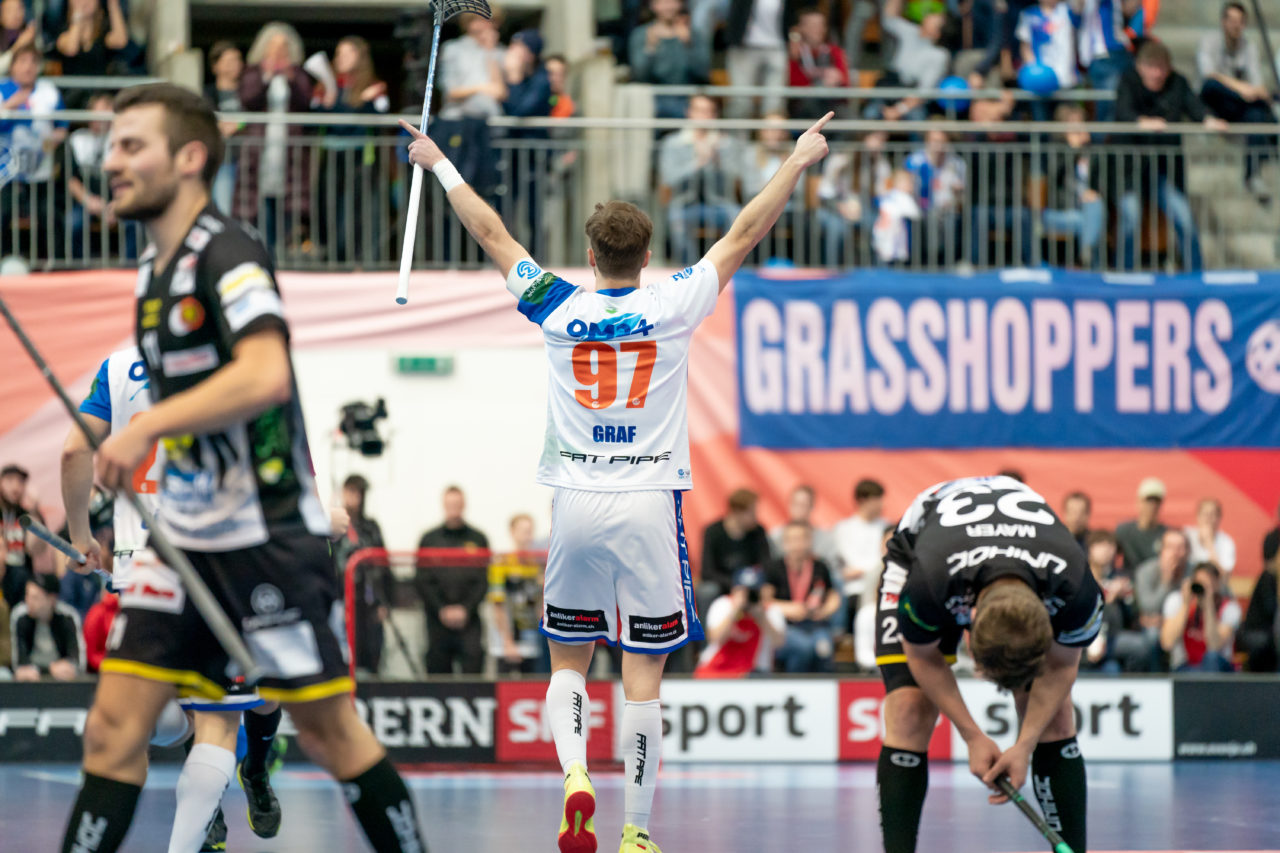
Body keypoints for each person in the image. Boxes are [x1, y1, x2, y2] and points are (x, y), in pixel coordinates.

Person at [401, 107, 832, 853]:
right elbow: (744, 232)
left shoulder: (557, 305)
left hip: (574, 499)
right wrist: (796, 160)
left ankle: (575, 773)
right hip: (648, 500)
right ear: (647, 255)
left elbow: (491, 233)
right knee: (644, 677)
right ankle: (635, 829)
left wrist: (438, 162)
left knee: (568, 659)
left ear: (590, 255)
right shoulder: (675, 302)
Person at [57, 83, 429, 853]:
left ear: (189, 158)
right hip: (183, 536)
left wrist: (144, 428)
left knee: (328, 731)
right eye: (112, 145)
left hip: (262, 536)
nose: (112, 160)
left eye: (132, 145)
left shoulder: (228, 253)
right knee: (113, 730)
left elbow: (265, 374)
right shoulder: (153, 267)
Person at [65, 345, 293, 851]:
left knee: (141, 722)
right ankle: (203, 809)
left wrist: (81, 535)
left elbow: (73, 451)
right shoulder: (237, 361)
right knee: (213, 718)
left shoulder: (118, 368)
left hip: (144, 571)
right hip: (218, 564)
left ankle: (249, 772)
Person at [874, 475, 1102, 853]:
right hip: (923, 545)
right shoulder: (929, 583)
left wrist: (1025, 745)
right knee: (909, 710)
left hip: (1009, 558)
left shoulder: (1077, 589)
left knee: (1056, 716)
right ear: (969, 620)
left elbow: (1061, 667)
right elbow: (923, 655)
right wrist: (971, 735)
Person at [1114, 40, 1227, 271]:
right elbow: (1122, 111)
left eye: (1161, 68)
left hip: (1163, 170)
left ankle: (1195, 274)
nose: (1157, 74)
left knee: (1184, 218)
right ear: (1140, 67)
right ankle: (1123, 273)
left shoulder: (1178, 82)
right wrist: (1141, 122)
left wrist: (1208, 119)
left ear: (1169, 68)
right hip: (1131, 170)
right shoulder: (1128, 81)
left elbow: (1194, 106)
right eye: (1151, 67)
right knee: (1130, 217)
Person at [236, 22, 314, 260]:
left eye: (283, 47)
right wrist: (267, 77)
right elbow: (248, 99)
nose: (279, 52)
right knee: (258, 209)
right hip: (260, 152)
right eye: (274, 46)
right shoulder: (253, 73)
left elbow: (306, 102)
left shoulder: (297, 74)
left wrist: (290, 78)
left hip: (289, 153)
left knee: (288, 210)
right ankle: (263, 257)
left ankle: (282, 259)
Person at [1196, 1, 1275, 190]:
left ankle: (1252, 175)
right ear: (1223, 22)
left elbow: (1257, 84)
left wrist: (1251, 91)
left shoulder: (1249, 46)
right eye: (1231, 20)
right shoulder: (1209, 41)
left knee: (1259, 113)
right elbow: (1209, 75)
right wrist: (1242, 88)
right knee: (1213, 85)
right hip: (1213, 100)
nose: (1235, 25)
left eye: (1240, 21)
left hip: (1237, 104)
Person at [658, 94, 744, 264]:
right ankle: (689, 270)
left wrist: (718, 159)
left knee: (737, 218)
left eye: (707, 111)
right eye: (698, 110)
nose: (703, 116)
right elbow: (669, 179)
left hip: (720, 203)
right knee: (676, 221)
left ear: (714, 115)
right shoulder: (673, 143)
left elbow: (737, 177)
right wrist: (697, 163)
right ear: (689, 112)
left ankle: (722, 267)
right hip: (683, 204)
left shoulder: (726, 143)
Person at [415, 485, 490, 675]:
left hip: (470, 620)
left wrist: (466, 608)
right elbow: (422, 580)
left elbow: (483, 580)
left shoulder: (478, 538)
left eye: (457, 504)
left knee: (474, 674)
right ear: (443, 505)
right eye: (450, 504)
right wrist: (441, 609)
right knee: (438, 677)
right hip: (436, 620)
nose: (454, 508)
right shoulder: (429, 539)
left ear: (464, 505)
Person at [764, 520, 840, 672]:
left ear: (810, 540)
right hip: (786, 626)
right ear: (785, 543)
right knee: (803, 648)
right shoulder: (774, 568)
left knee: (824, 649)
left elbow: (833, 595)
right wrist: (788, 608)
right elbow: (765, 600)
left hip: (815, 624)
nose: (798, 544)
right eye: (793, 539)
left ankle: (823, 685)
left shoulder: (820, 566)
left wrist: (825, 611)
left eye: (802, 538)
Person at [334, 474, 391, 675]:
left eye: (359, 493)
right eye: (351, 492)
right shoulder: (334, 528)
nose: (355, 498)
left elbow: (384, 566)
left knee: (373, 654)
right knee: (346, 656)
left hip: (370, 603)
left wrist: (385, 603)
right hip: (343, 602)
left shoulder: (371, 528)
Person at [1043, 104, 1106, 269]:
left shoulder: (1093, 152)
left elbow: (1102, 182)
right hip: (1060, 210)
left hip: (1087, 208)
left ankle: (1087, 259)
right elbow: (1054, 176)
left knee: (1095, 205)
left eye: (1081, 123)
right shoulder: (1056, 149)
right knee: (1085, 221)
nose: (1079, 128)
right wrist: (1072, 150)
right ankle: (1090, 263)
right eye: (1074, 124)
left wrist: (1093, 192)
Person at [868, 0, 950, 123]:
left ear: (937, 33)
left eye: (934, 19)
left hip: (913, 102)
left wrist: (897, 111)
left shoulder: (939, 55)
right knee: (870, 113)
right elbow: (888, 20)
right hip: (891, 87)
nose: (928, 17)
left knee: (916, 119)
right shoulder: (911, 31)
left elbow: (924, 92)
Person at [694, 566, 785, 677]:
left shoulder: (771, 611)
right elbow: (715, 638)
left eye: (753, 592)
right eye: (744, 591)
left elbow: (779, 643)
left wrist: (762, 617)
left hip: (754, 675)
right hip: (718, 671)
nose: (748, 597)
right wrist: (735, 610)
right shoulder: (723, 605)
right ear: (734, 590)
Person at [629, 0, 710, 119]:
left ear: (680, 4)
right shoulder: (641, 34)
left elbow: (703, 73)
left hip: (687, 99)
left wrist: (688, 45)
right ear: (653, 5)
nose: (668, 7)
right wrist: (650, 49)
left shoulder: (694, 34)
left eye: (673, 1)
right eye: (662, 2)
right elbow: (639, 75)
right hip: (654, 100)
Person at [489, 512, 548, 674]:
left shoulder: (538, 564)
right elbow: (498, 606)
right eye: (523, 531)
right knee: (504, 683)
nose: (527, 537)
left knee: (534, 683)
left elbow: (540, 604)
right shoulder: (500, 563)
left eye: (530, 531)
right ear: (512, 532)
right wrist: (507, 642)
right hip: (506, 640)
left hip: (533, 639)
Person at [1159, 561, 1240, 672]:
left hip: (1218, 667)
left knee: (1211, 657)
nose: (1203, 589)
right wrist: (1186, 605)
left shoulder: (1229, 608)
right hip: (1186, 666)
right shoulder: (1177, 601)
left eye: (1208, 585)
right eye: (1200, 583)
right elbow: (1167, 643)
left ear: (1217, 585)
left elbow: (1214, 645)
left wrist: (1208, 606)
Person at [723, 0, 798, 118]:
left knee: (775, 103)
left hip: (776, 47)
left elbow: (792, 17)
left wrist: (794, 38)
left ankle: (772, 130)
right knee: (741, 102)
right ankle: (737, 130)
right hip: (744, 47)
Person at [701, 487, 773, 610]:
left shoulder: (758, 532)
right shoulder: (713, 532)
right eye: (752, 513)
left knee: (769, 588)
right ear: (737, 512)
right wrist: (733, 584)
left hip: (751, 583)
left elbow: (766, 563)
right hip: (724, 584)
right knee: (707, 591)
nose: (755, 517)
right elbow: (707, 571)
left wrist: (759, 582)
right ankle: (705, 623)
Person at [833, 478, 887, 636]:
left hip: (880, 585)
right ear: (863, 500)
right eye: (877, 499)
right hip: (853, 589)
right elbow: (845, 563)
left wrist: (864, 571)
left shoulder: (886, 527)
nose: (881, 505)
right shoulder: (843, 528)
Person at [9, 572, 83, 681]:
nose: (28, 601)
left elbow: (78, 661)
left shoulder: (68, 617)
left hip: (62, 680)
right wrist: (49, 669)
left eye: (35, 598)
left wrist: (69, 667)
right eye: (27, 595)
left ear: (51, 599)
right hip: (31, 680)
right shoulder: (20, 616)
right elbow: (19, 663)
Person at [1016, 0, 1079, 120]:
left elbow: (1080, 9)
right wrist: (1035, 70)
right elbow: (1025, 47)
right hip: (1039, 81)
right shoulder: (1029, 14)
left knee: (1067, 121)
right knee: (1042, 121)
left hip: (1066, 79)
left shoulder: (1067, 10)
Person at [788, 6, 849, 119]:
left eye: (821, 25)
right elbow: (793, 84)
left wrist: (837, 80)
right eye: (812, 25)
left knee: (846, 115)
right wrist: (821, 84)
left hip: (831, 104)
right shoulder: (795, 53)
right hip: (803, 107)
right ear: (801, 28)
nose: (817, 29)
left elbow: (845, 84)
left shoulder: (834, 51)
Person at [1076, 0, 1132, 120]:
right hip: (1102, 55)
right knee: (1107, 106)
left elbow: (1129, 9)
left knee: (1120, 102)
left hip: (1119, 52)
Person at [1, 461, 44, 607]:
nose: (15, 487)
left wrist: (34, 512)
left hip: (21, 582)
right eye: (10, 480)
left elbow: (36, 549)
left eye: (20, 482)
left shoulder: (27, 516)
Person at [53, 0, 130, 78]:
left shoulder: (103, 31)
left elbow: (121, 41)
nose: (85, 1)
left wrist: (113, 5)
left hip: (100, 84)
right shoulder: (63, 31)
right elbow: (71, 49)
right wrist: (78, 16)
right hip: (71, 85)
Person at [1115, 476, 1168, 570]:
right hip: (1129, 577)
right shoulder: (1124, 531)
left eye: (1156, 502)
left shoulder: (1166, 534)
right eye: (1148, 501)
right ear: (1138, 502)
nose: (1152, 506)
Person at [1185, 497, 1237, 576]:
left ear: (1219, 518)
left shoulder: (1226, 542)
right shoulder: (1186, 536)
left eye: (1212, 514)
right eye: (1205, 514)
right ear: (1197, 516)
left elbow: (1223, 575)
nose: (1208, 518)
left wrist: (1209, 544)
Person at [0, 0, 38, 77]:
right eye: (9, 10)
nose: (15, 14)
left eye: (19, 8)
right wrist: (19, 45)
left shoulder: (31, 34)